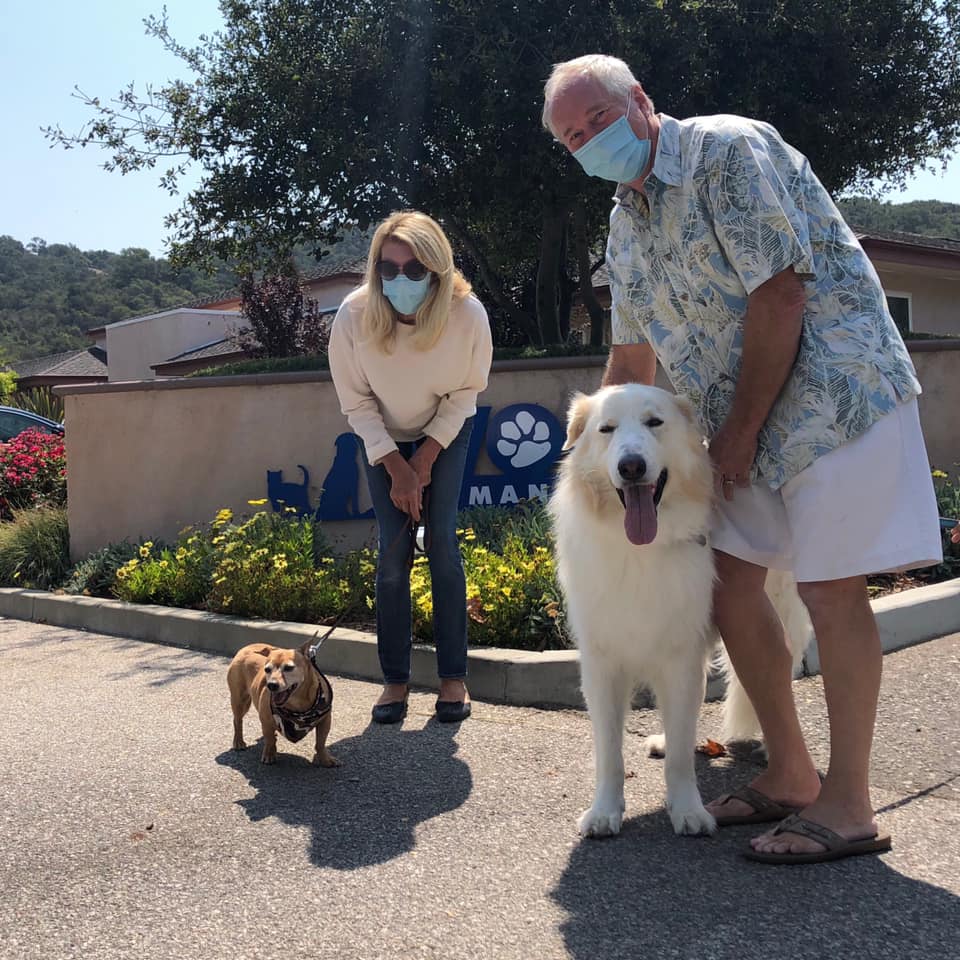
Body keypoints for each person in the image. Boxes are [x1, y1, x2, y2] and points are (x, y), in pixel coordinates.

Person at [542, 55, 943, 863]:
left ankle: (851, 804)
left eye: (595, 122)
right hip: (737, 429)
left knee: (830, 590)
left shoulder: (728, 150)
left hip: (835, 397)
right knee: (732, 588)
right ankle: (792, 774)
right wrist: (591, 461)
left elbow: (781, 294)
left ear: (641, 103)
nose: (588, 143)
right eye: (572, 138)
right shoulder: (626, 222)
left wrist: (741, 433)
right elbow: (629, 364)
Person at [328, 211, 493, 724]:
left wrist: (424, 459)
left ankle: (453, 679)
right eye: (388, 269)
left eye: (415, 270)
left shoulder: (468, 315)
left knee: (440, 541)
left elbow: (467, 392)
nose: (400, 281)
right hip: (380, 435)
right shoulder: (354, 316)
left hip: (446, 427)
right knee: (393, 552)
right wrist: (397, 466)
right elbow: (356, 404)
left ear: (438, 272)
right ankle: (394, 683)